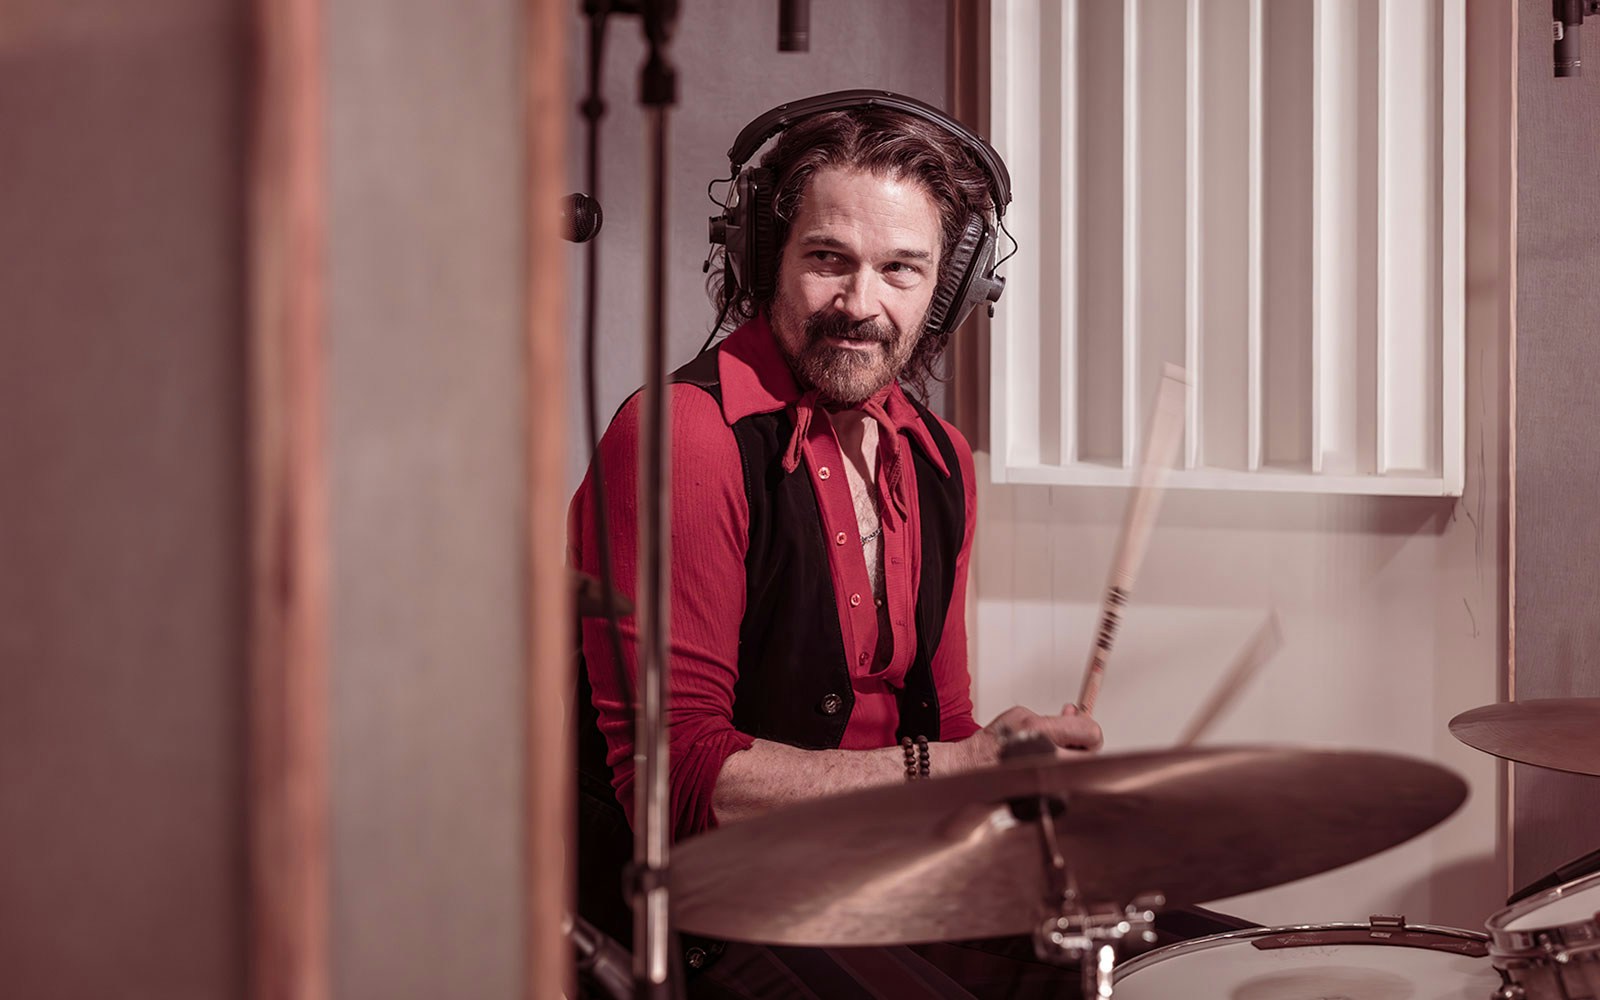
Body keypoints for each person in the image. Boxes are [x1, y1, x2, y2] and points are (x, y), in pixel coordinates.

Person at [567, 93, 1225, 999]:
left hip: (887, 876)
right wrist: (955, 765)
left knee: (1201, 958)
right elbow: (679, 787)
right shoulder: (684, 438)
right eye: (828, 260)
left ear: (951, 287)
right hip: (710, 913)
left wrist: (1008, 762)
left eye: (902, 270)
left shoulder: (939, 459)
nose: (859, 305)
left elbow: (946, 732)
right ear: (764, 259)